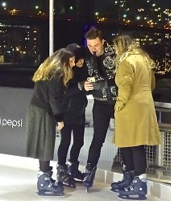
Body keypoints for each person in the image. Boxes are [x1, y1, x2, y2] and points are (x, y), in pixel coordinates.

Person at [111, 35, 161, 200]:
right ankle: (133, 179)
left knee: (132, 145)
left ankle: (138, 183)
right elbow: (152, 84)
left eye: (115, 47)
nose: (115, 51)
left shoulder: (126, 61)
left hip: (131, 107)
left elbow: (125, 86)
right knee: (133, 144)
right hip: (145, 105)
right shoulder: (144, 60)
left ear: (121, 47)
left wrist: (119, 103)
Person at [26, 48, 75, 197]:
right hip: (42, 111)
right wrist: (59, 118)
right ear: (64, 60)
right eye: (71, 61)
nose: (72, 64)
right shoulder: (57, 72)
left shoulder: (48, 68)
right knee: (46, 144)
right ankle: (43, 181)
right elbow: (53, 97)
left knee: (44, 144)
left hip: (37, 109)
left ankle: (45, 177)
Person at [81, 27, 118, 190]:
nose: (93, 49)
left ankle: (128, 172)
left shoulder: (115, 54)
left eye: (95, 45)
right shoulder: (85, 56)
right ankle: (89, 171)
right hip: (100, 102)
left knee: (124, 139)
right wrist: (82, 84)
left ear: (102, 42)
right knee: (98, 139)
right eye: (90, 45)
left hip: (118, 102)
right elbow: (78, 74)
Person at [56, 43, 88, 188]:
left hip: (79, 112)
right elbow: (65, 93)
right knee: (65, 141)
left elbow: (82, 91)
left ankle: (73, 168)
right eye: (78, 59)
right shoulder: (66, 72)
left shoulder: (83, 70)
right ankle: (61, 169)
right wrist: (81, 86)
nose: (80, 62)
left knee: (79, 141)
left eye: (82, 59)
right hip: (66, 112)